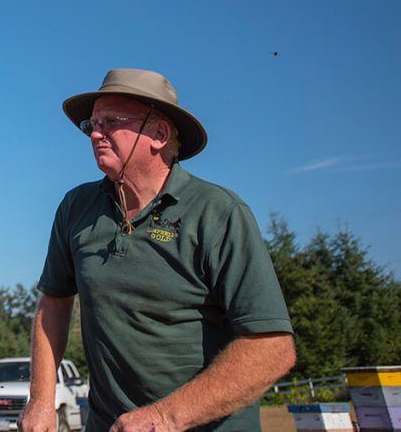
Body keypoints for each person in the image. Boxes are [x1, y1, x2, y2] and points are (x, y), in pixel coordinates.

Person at [19, 69, 295, 432]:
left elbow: (273, 348)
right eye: (93, 124)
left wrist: (165, 417)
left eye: (112, 122)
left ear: (159, 135)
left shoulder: (218, 212)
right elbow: (53, 304)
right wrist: (41, 400)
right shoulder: (77, 208)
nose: (96, 134)